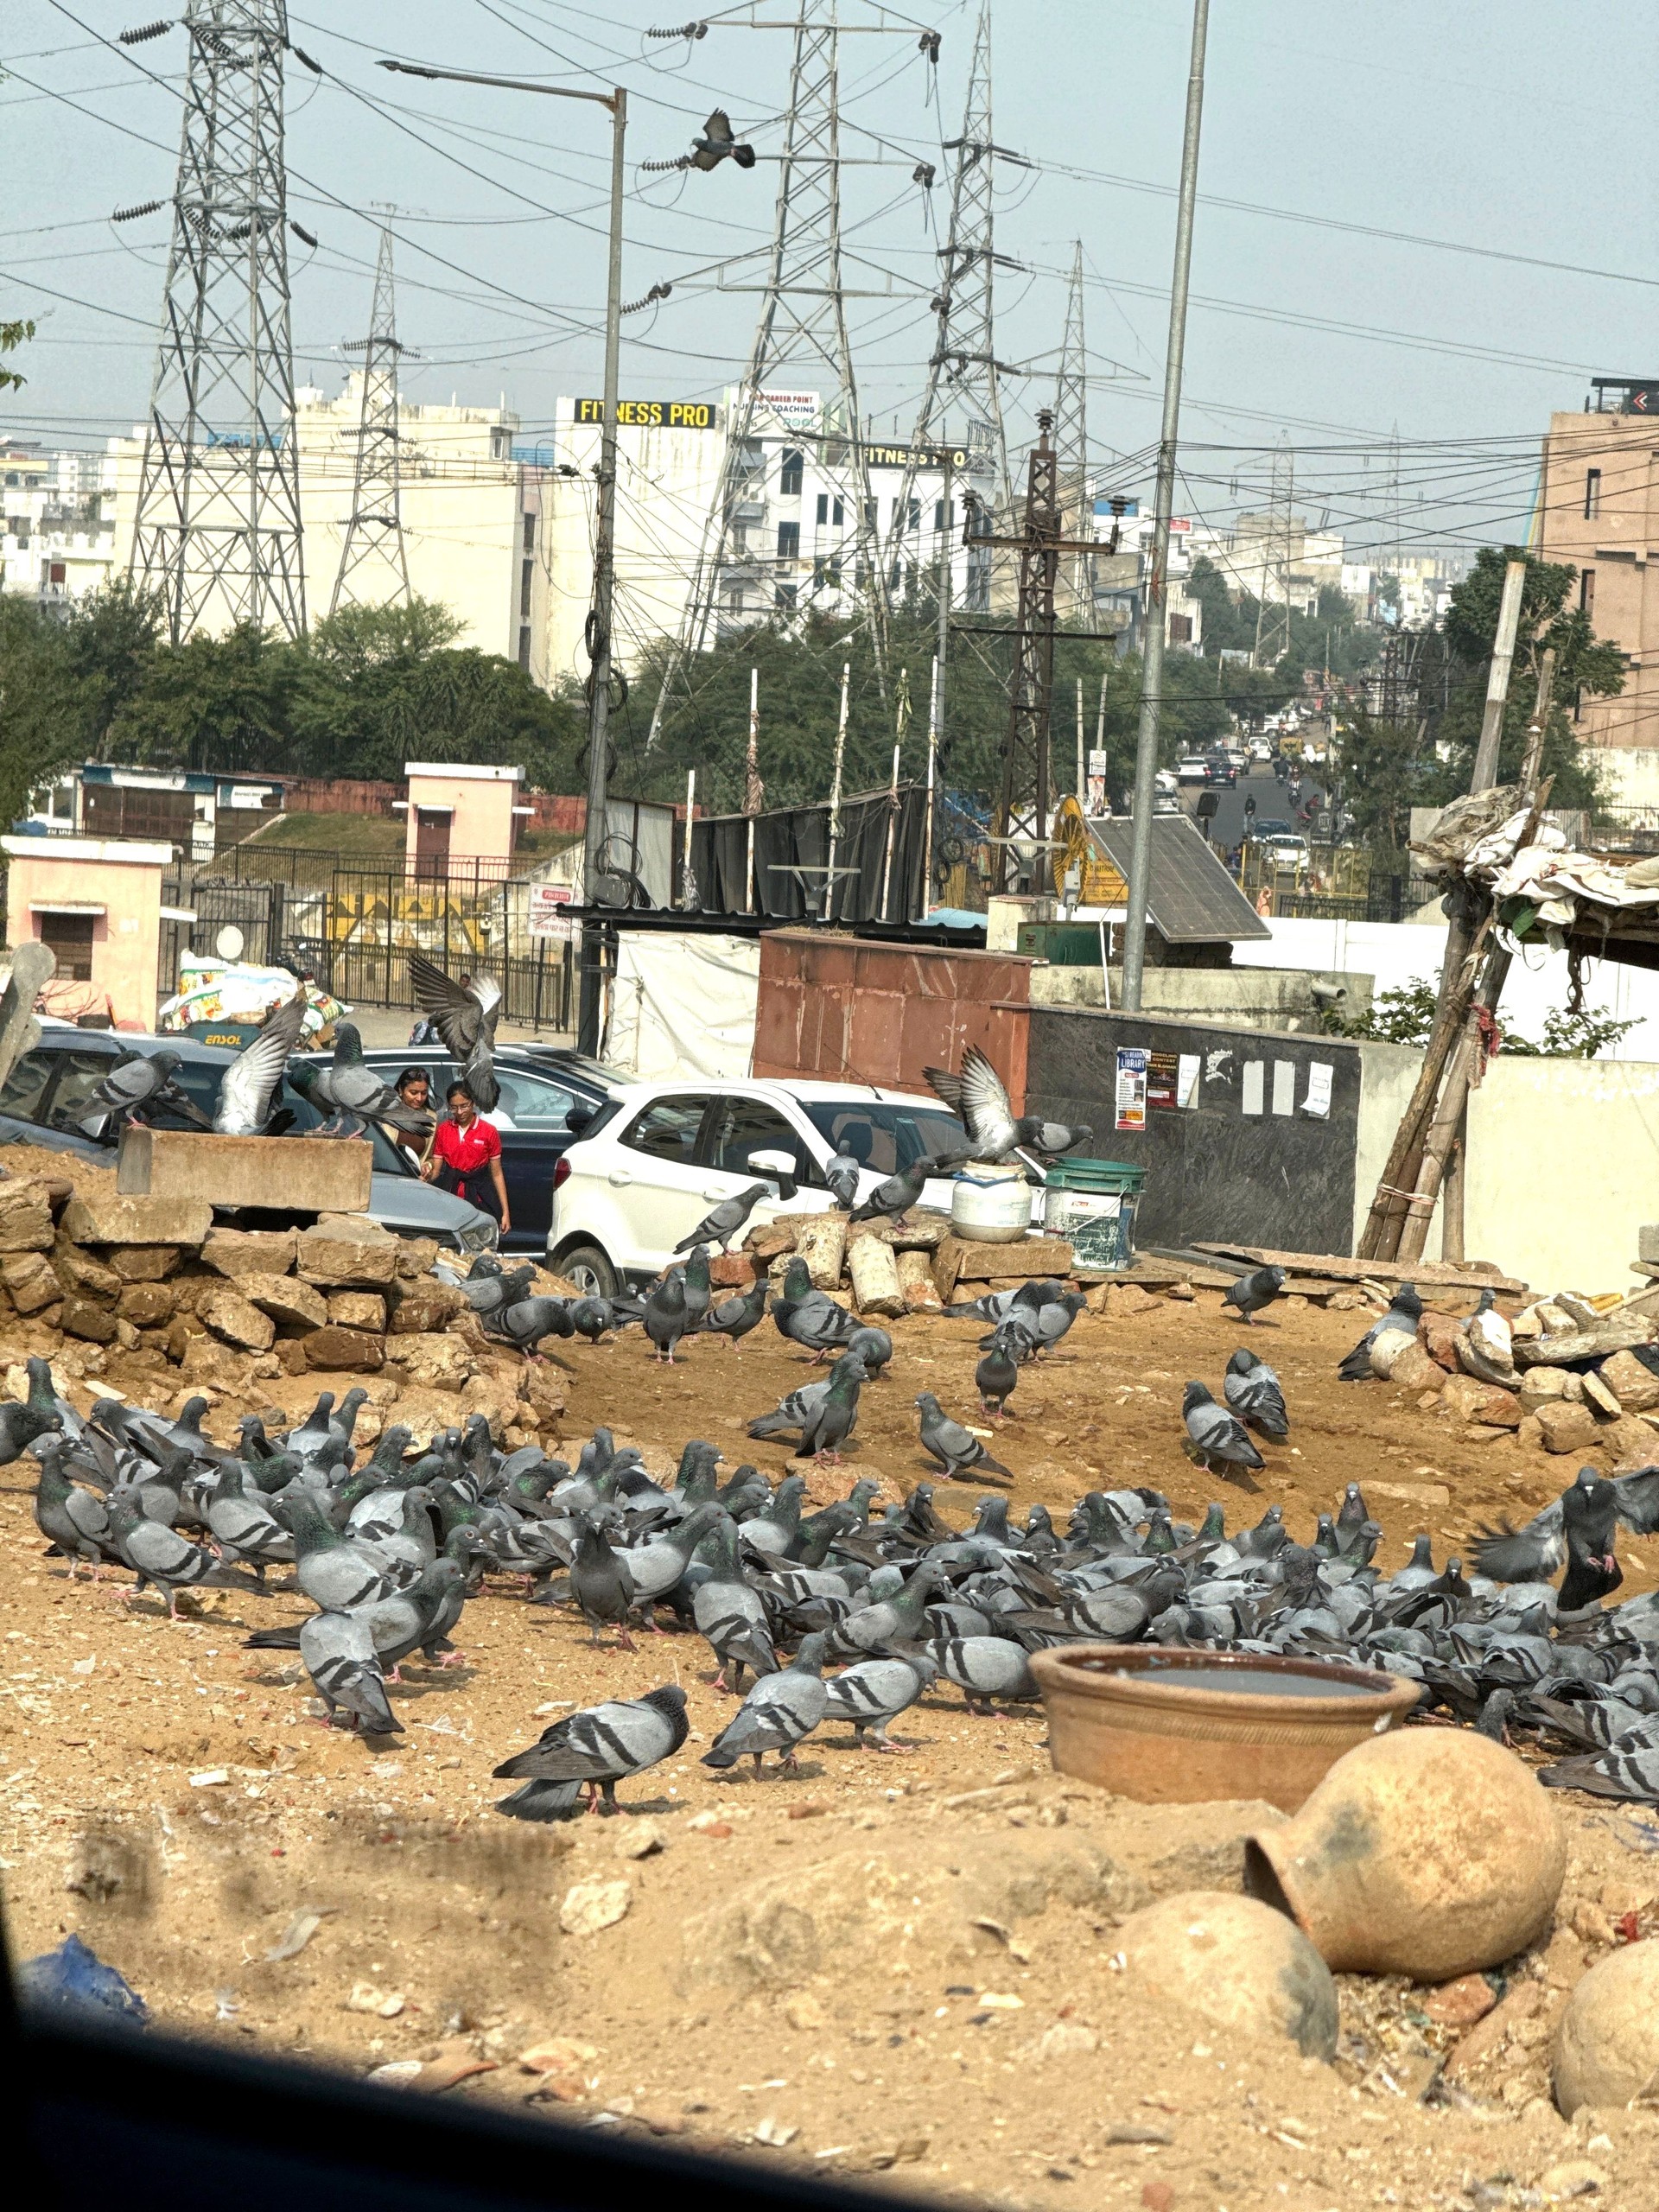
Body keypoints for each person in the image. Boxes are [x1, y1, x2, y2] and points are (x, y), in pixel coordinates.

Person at [424, 1079, 511, 1235]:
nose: (459, 1112)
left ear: (473, 1103)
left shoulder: (488, 1131)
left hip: (480, 1195)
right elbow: (436, 1169)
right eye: (454, 1108)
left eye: (464, 1106)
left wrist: (505, 1213)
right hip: (451, 1195)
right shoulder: (444, 1130)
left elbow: (497, 1174)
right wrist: (426, 1173)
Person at [389, 1066, 433, 1168]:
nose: (419, 1098)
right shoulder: (386, 1114)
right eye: (413, 1093)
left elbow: (431, 1156)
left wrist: (428, 1166)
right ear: (400, 1090)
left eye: (424, 1093)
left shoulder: (431, 1118)